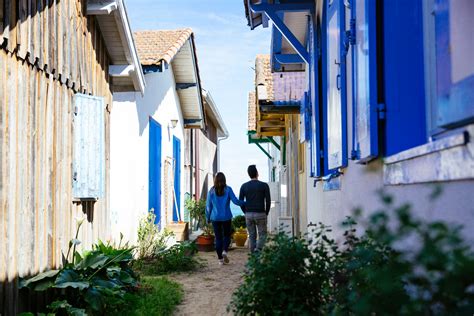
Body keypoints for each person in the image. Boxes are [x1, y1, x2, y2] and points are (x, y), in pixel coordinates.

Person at [206, 172, 246, 265]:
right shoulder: (228, 189)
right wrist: (246, 203)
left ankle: (220, 259)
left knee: (218, 238)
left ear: (215, 180)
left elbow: (208, 206)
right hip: (226, 217)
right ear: (224, 180)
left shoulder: (211, 191)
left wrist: (208, 217)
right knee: (227, 236)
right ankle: (224, 251)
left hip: (215, 218)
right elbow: (235, 201)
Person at [239, 165, 271, 253]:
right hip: (260, 213)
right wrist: (266, 212)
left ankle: (253, 258)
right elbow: (268, 201)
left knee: (252, 236)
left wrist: (245, 212)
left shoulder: (244, 186)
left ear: (249, 174)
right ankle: (258, 249)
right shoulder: (264, 185)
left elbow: (241, 202)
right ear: (257, 173)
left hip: (248, 214)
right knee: (263, 235)